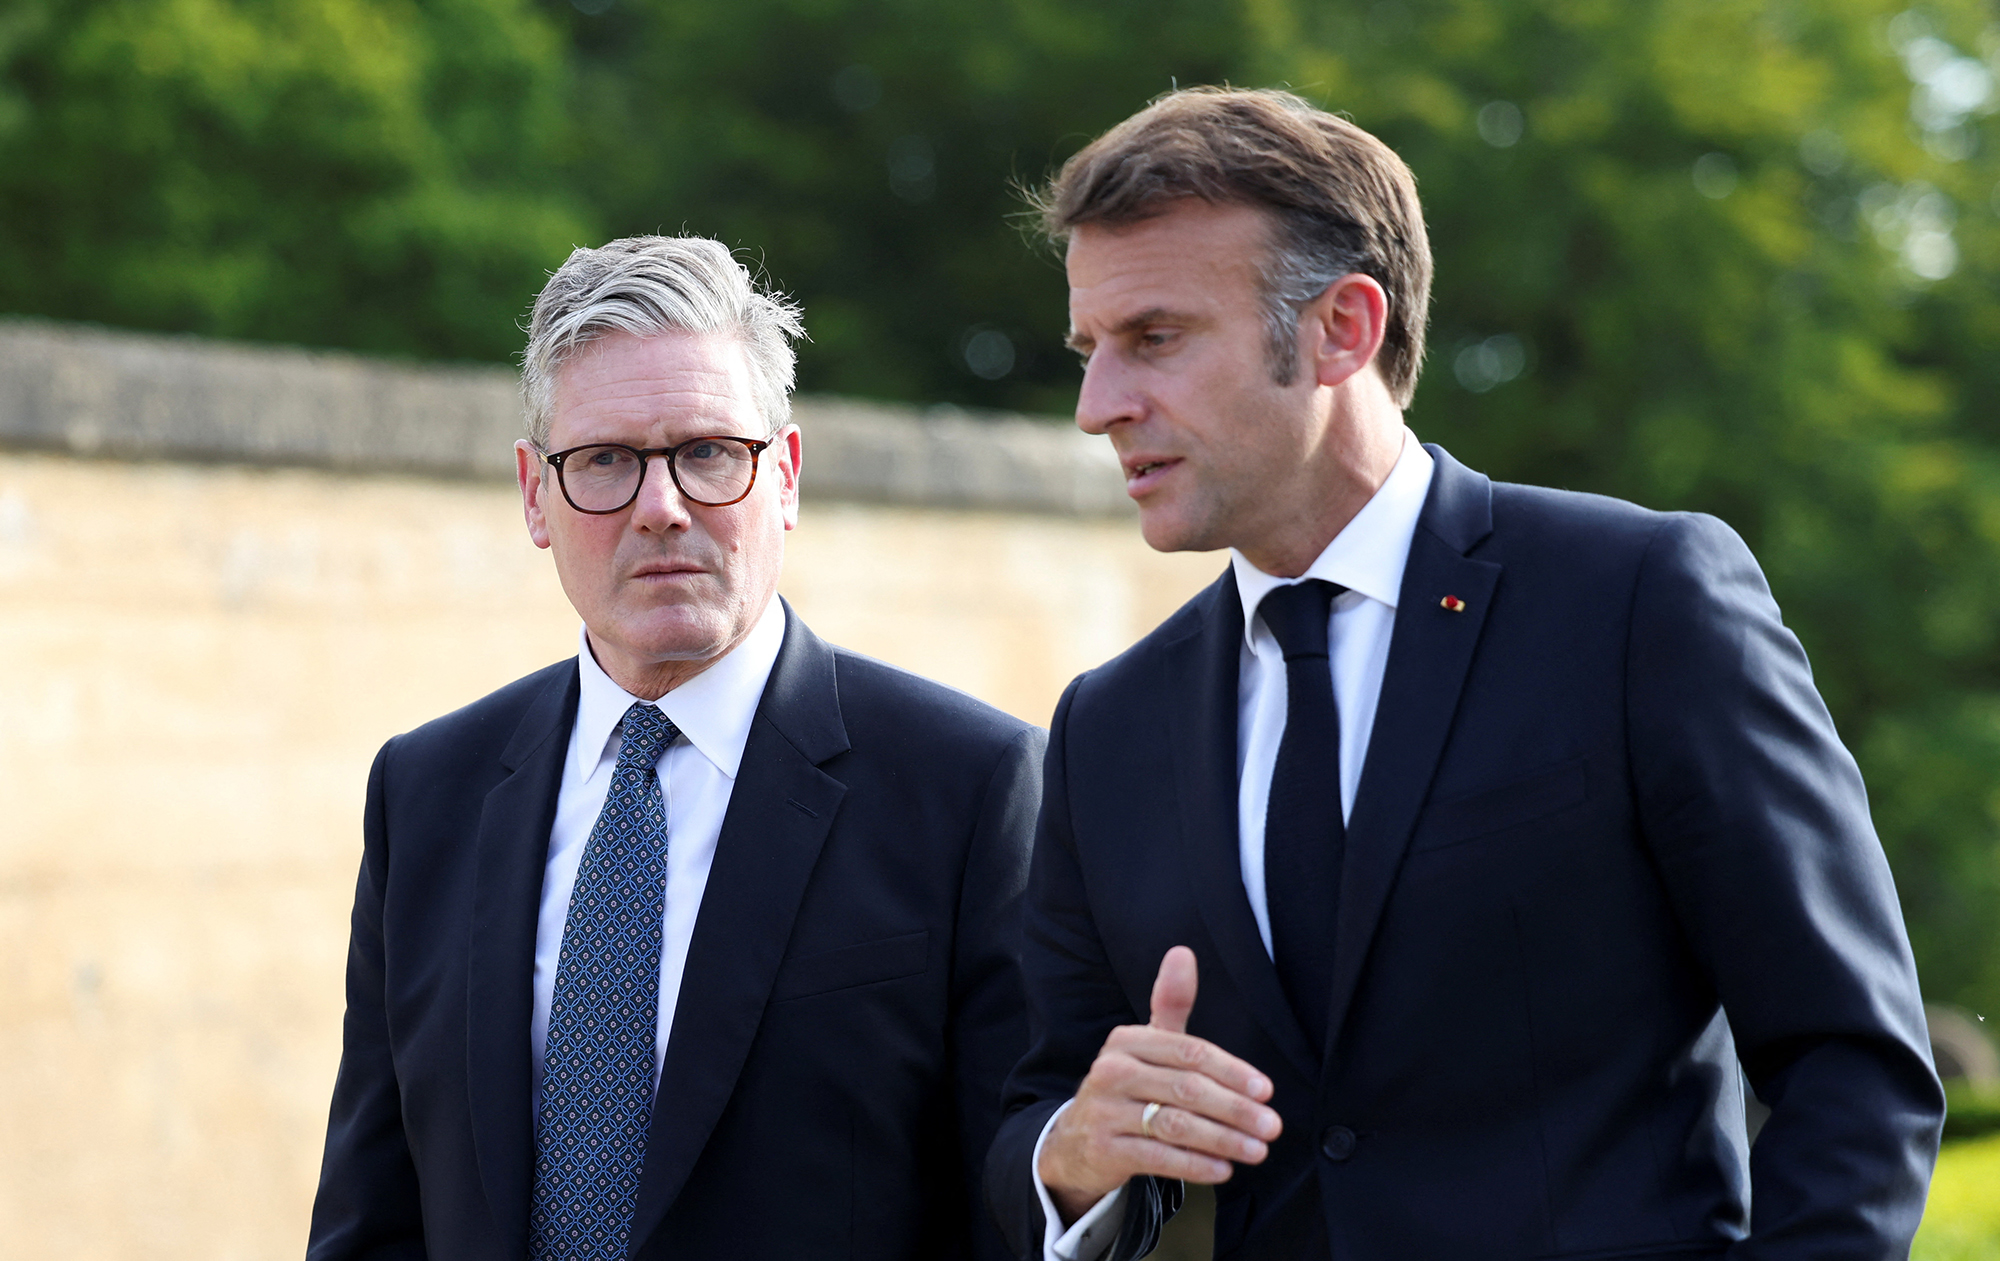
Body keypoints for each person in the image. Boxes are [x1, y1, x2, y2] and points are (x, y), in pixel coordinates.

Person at [984, 88, 1943, 1261]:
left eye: (1154, 338)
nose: (1097, 408)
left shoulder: (1636, 602)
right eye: (1088, 350)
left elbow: (1852, 1064)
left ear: (1341, 328)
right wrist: (1071, 1156)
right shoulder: (1107, 725)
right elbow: (1043, 1107)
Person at [308, 235, 1040, 1261]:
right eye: (605, 460)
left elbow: (1017, 1207)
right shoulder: (425, 793)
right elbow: (374, 1217)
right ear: (534, 494)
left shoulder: (968, 788)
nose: (661, 507)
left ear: (784, 476)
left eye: (707, 452)